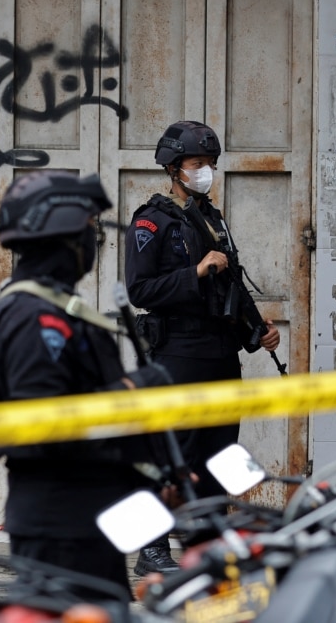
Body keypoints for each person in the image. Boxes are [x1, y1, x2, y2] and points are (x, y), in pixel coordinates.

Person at [0, 169, 173, 599]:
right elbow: (44, 425)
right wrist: (133, 389)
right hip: (62, 526)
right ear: (64, 237)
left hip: (83, 517)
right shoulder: (35, 320)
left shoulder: (39, 309)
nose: (91, 242)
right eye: (89, 229)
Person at [123, 120, 280, 575]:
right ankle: (152, 550)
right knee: (171, 452)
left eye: (210, 164)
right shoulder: (151, 219)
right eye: (197, 164)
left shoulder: (212, 217)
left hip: (218, 353)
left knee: (218, 452)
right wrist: (194, 272)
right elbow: (141, 289)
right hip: (176, 353)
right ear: (174, 168)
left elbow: (232, 283)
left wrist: (258, 332)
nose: (205, 171)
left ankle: (206, 544)